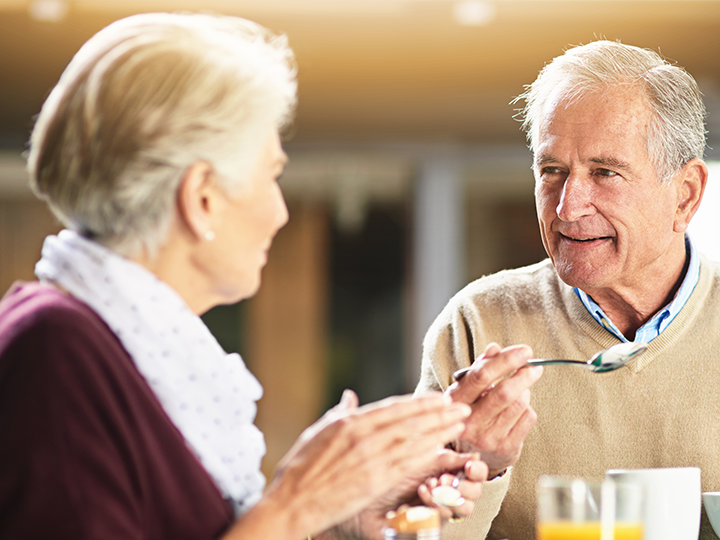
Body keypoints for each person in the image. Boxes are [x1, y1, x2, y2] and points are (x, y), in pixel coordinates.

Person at [0, 13, 489, 540]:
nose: (279, 211)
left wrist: (331, 518)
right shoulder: (55, 353)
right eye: (271, 175)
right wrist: (297, 504)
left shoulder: (124, 351)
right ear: (202, 198)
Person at [416, 39, 720, 540]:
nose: (567, 208)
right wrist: (475, 469)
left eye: (605, 173)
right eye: (551, 171)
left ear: (684, 196)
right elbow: (421, 531)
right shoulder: (480, 325)